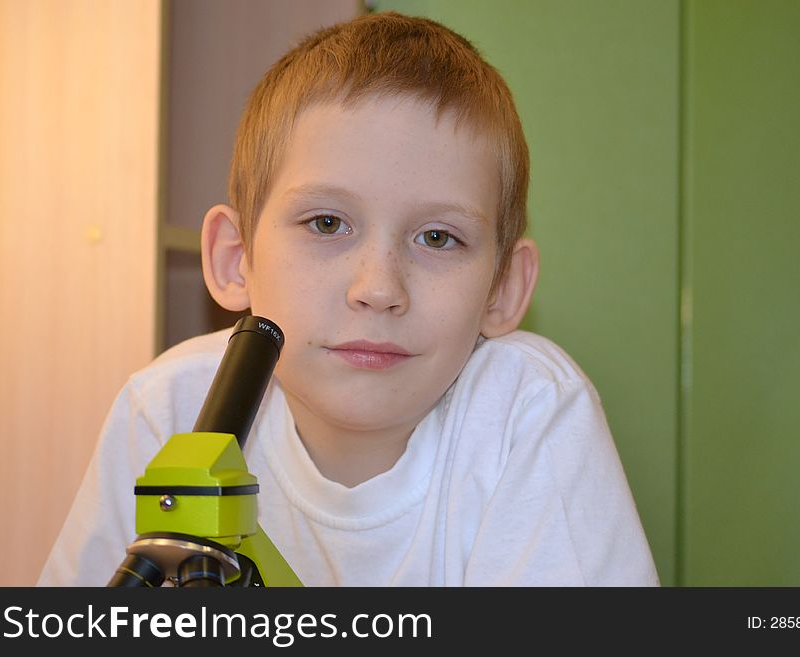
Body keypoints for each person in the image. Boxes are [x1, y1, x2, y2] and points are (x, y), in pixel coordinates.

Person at [38, 12, 658, 586]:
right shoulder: (166, 412)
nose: (380, 289)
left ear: (503, 287)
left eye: (438, 237)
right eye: (328, 224)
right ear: (235, 259)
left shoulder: (526, 413)